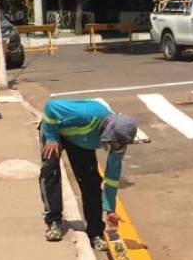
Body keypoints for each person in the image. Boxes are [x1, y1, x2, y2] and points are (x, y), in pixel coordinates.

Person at [39, 97, 138, 248]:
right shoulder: (88, 113)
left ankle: (95, 233)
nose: (113, 147)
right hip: (56, 131)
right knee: (50, 173)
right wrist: (51, 138)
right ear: (107, 130)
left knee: (91, 182)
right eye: (112, 142)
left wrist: (110, 209)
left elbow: (111, 178)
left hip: (80, 142)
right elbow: (51, 106)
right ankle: (54, 221)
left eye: (116, 144)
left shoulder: (119, 140)